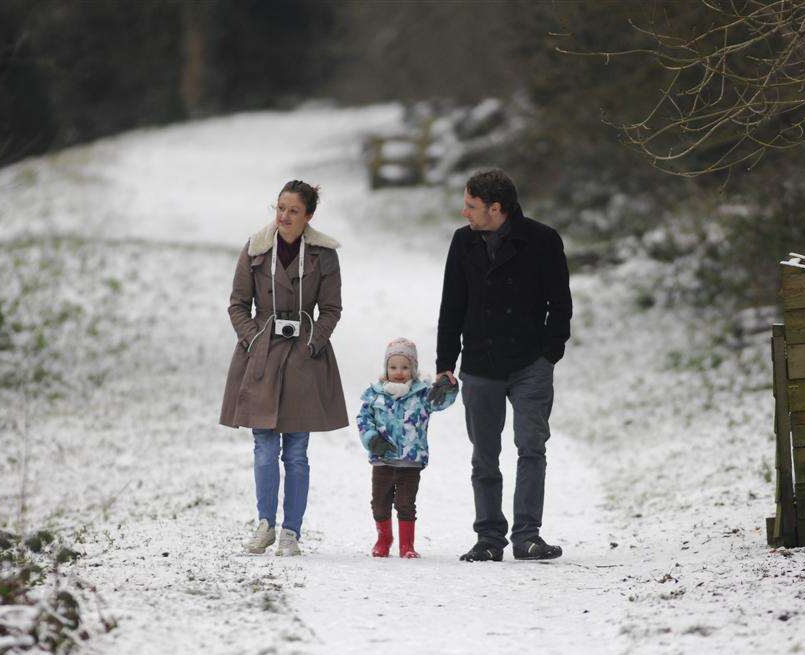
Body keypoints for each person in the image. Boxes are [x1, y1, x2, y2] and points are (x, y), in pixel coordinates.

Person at [436, 169, 572, 562]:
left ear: (496, 208)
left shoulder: (543, 241)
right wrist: (446, 363)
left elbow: (560, 305)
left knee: (531, 447)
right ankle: (489, 539)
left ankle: (527, 536)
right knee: (484, 454)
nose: (464, 213)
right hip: (480, 364)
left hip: (531, 363)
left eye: (471, 206)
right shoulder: (463, 243)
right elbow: (452, 306)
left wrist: (550, 353)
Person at [220, 179, 349, 556]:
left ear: (308, 215)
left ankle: (291, 531)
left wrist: (313, 341)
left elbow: (332, 308)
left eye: (293, 210)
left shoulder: (324, 255)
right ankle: (265, 525)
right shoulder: (256, 249)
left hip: (304, 358)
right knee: (262, 444)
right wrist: (252, 338)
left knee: (296, 450)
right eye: (280, 208)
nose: (284, 216)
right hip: (261, 354)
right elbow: (237, 304)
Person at [357, 338, 458, 558]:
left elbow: (440, 403)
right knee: (379, 504)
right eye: (393, 367)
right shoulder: (375, 394)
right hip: (382, 459)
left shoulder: (422, 395)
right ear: (386, 368)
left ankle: (407, 545)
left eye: (405, 367)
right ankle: (384, 539)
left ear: (413, 369)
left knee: (406, 504)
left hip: (410, 460)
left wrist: (449, 389)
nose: (399, 372)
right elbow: (364, 420)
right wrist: (372, 439)